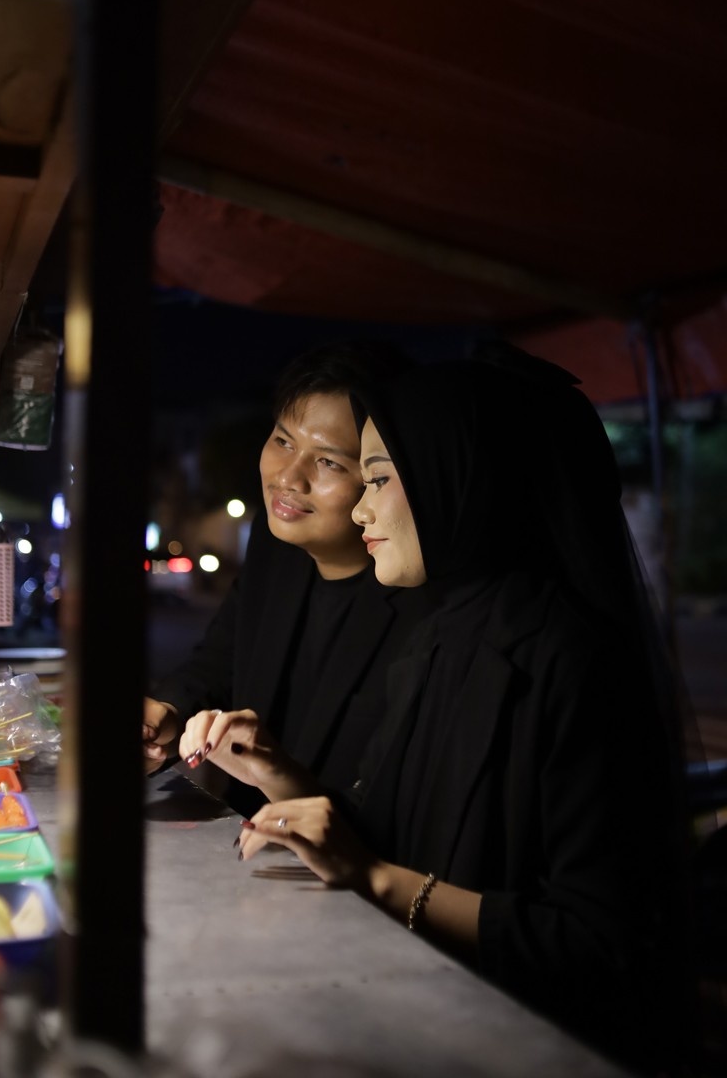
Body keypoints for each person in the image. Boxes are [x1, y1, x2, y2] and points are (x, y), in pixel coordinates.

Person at [183, 344, 698, 1076]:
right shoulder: (444, 635)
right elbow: (398, 832)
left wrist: (375, 880)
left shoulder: (567, 660)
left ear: (461, 480)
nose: (362, 507)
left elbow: (600, 940)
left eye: (377, 479)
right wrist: (277, 777)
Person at [142, 338, 432, 817]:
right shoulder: (277, 548)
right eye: (283, 441)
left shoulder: (424, 606)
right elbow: (217, 664)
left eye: (329, 461)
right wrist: (166, 715)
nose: (288, 479)